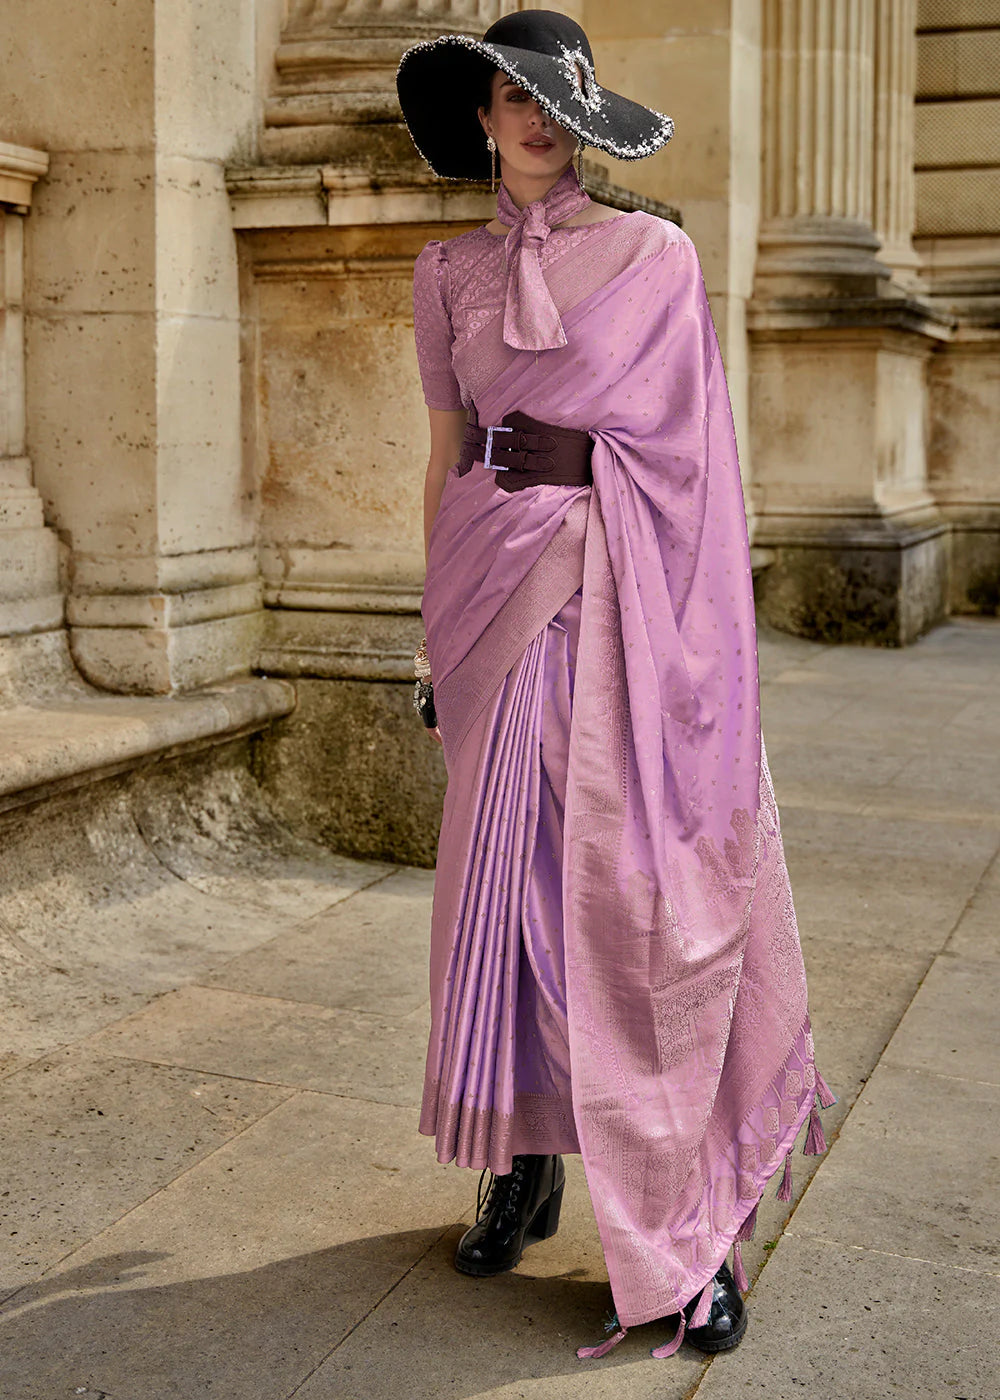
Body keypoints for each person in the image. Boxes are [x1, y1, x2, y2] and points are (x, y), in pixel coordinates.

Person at [396, 8, 834, 1362]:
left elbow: (699, 468)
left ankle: (685, 1225)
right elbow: (450, 456)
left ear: (582, 118)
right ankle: (519, 1167)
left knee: (633, 906)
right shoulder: (445, 273)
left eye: (558, 100)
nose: (536, 120)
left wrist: (697, 654)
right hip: (488, 601)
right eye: (511, 98)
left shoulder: (656, 256)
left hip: (620, 606)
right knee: (507, 893)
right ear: (479, 116)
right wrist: (433, 635)